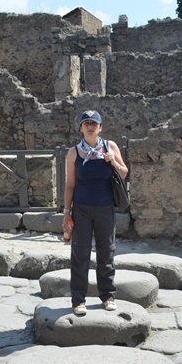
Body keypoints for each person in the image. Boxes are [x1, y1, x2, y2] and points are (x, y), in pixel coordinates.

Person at [62, 110, 128, 316]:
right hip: (81, 208)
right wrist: (66, 212)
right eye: (86, 123)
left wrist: (113, 161)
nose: (90, 126)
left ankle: (108, 296)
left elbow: (125, 173)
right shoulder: (73, 152)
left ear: (100, 127)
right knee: (80, 254)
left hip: (105, 207)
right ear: (81, 128)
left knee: (106, 252)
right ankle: (78, 300)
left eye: (94, 123)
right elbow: (70, 185)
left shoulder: (110, 147)